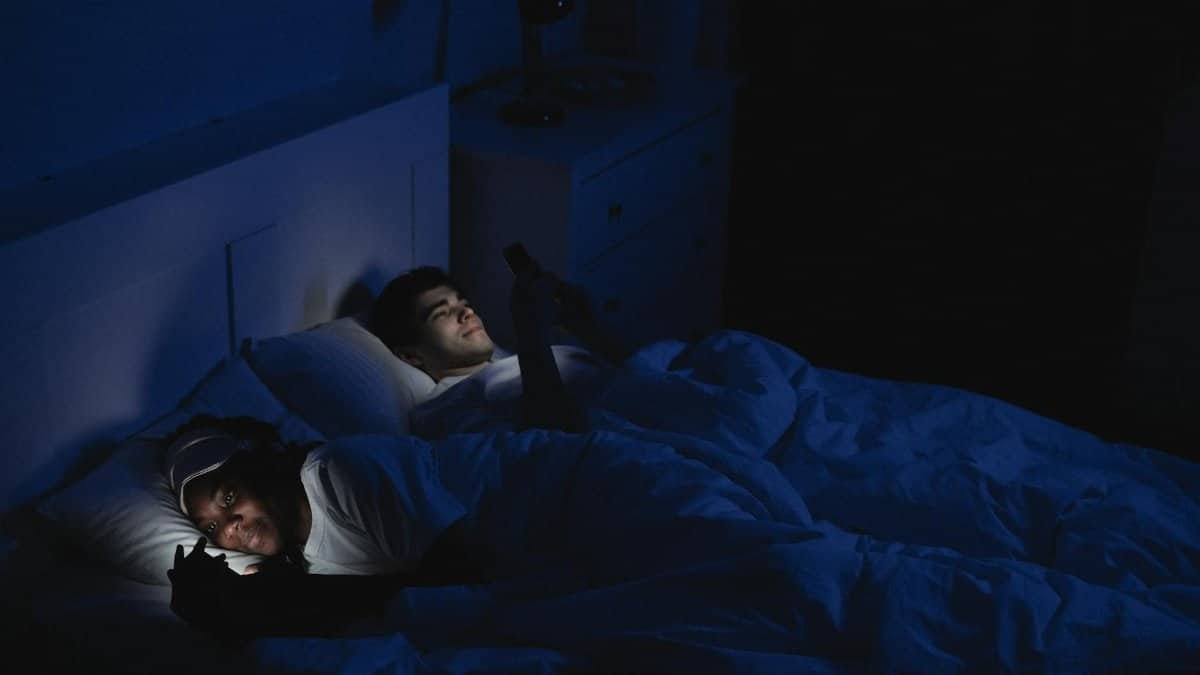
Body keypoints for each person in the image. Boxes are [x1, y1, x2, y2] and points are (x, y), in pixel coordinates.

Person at [161, 413, 489, 639]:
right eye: (210, 528)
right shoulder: (299, 561)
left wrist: (294, 593)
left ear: (259, 465)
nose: (229, 528)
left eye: (229, 497)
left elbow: (460, 577)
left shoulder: (338, 471)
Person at [369, 261, 628, 432]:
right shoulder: (444, 410)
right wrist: (532, 331)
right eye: (442, 313)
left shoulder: (521, 361)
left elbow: (629, 377)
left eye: (463, 303)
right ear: (410, 356)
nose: (467, 312)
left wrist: (587, 326)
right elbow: (552, 445)